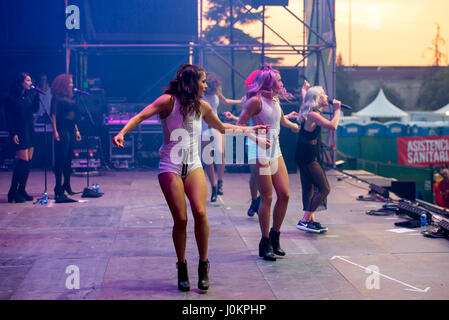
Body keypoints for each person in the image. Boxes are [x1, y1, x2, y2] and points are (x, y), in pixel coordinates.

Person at [112, 64, 268, 291]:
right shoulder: (168, 101)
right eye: (203, 81)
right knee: (181, 220)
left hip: (194, 165)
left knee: (200, 212)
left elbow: (223, 127)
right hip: (170, 166)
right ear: (191, 82)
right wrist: (122, 132)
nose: (206, 85)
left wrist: (251, 132)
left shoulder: (203, 106)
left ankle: (203, 265)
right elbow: (142, 115)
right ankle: (182, 265)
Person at [237, 64, 299, 261]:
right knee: (267, 197)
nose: (281, 83)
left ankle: (275, 236)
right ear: (270, 82)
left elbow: (279, 121)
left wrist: (293, 125)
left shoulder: (275, 100)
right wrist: (257, 138)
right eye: (279, 80)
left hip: (275, 148)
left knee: (285, 194)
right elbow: (239, 126)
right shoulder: (255, 101)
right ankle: (265, 242)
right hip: (259, 151)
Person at [295, 81, 341, 233]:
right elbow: (332, 126)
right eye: (323, 95)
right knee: (324, 188)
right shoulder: (313, 114)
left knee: (309, 188)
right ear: (317, 99)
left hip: (305, 152)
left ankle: (310, 221)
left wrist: (304, 90)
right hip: (308, 155)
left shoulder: (309, 109)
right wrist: (337, 110)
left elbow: (305, 98)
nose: (326, 97)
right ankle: (303, 220)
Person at [201, 72, 241, 202]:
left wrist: (242, 101)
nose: (220, 89)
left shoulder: (217, 93)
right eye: (217, 87)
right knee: (208, 158)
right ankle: (213, 186)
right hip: (203, 127)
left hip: (216, 125)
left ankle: (220, 181)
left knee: (221, 153)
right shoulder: (200, 95)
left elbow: (226, 101)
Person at [5, 72, 39, 203]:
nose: (31, 83)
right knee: (22, 162)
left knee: (28, 162)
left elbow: (34, 110)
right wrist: (13, 133)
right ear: (21, 83)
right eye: (28, 80)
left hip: (29, 130)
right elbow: (8, 118)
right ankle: (12, 191)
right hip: (19, 132)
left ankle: (22, 190)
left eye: (31, 80)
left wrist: (36, 97)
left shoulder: (29, 96)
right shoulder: (11, 98)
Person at [50, 74, 82, 203]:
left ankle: (67, 185)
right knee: (61, 159)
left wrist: (77, 129)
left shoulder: (71, 97)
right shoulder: (57, 97)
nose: (72, 84)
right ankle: (58, 187)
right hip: (62, 130)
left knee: (69, 158)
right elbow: (54, 114)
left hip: (71, 129)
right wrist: (55, 130)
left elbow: (73, 115)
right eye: (70, 82)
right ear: (63, 83)